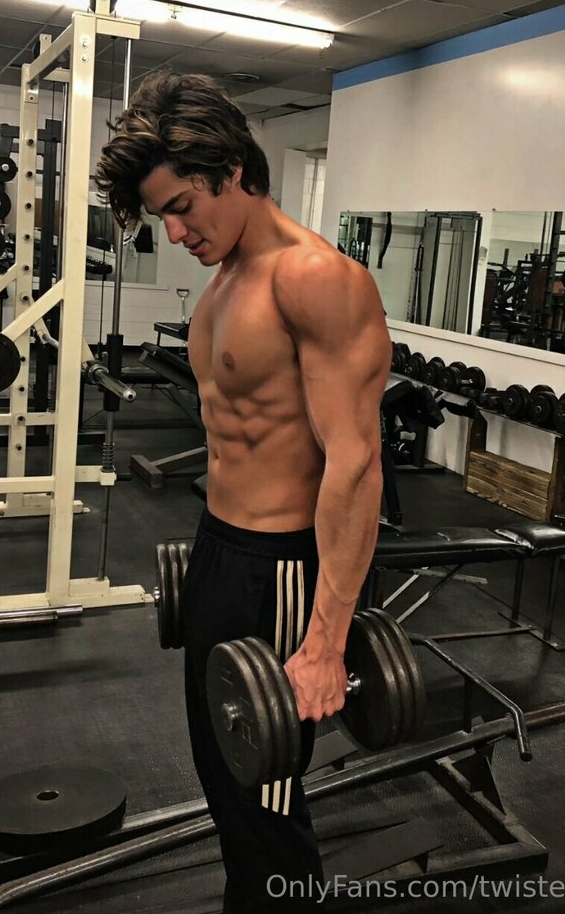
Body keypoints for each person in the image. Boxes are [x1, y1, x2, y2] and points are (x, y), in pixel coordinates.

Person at [97, 71, 391, 911]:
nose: (176, 231)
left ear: (230, 170)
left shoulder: (316, 278)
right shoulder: (226, 277)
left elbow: (355, 465)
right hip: (220, 549)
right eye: (162, 216)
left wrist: (326, 642)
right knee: (224, 767)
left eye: (183, 206)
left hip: (282, 568)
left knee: (265, 790)